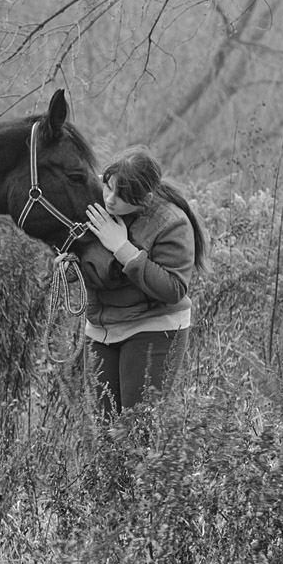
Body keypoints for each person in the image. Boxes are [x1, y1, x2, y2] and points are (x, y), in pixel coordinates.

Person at [76, 145, 208, 416]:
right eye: (108, 186)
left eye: (121, 195)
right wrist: (70, 267)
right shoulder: (100, 209)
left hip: (153, 328)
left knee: (137, 432)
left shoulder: (171, 222)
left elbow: (173, 289)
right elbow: (96, 266)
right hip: (102, 329)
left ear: (144, 199)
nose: (110, 199)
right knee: (106, 433)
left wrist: (122, 247)